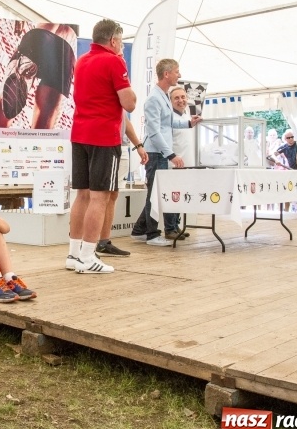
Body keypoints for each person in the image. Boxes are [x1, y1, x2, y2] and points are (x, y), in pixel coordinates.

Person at [67, 19, 136, 274]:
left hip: (80, 134)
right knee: (100, 197)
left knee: (82, 195)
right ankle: (87, 256)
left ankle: (74, 254)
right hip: (104, 136)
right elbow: (129, 104)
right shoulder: (114, 61)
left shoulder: (82, 60)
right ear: (114, 41)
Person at [130, 59, 200, 247]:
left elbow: (168, 123)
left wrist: (188, 123)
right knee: (155, 195)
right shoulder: (154, 98)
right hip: (156, 154)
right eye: (177, 72)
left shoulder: (163, 96)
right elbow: (154, 131)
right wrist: (171, 154)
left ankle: (139, 230)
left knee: (157, 194)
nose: (180, 75)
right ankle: (152, 235)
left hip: (160, 154)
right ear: (167, 74)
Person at [94, 116, 148, 258]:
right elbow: (130, 103)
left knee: (112, 194)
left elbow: (123, 118)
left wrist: (138, 145)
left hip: (118, 146)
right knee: (97, 195)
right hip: (102, 144)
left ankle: (103, 242)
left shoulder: (118, 102)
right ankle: (87, 245)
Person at [163, 86, 194, 240]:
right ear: (170, 101)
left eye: (183, 97)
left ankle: (175, 225)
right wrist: (172, 157)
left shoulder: (187, 116)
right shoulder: (169, 118)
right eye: (177, 98)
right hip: (173, 165)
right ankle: (170, 229)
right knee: (172, 196)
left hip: (186, 164)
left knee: (180, 196)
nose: (181, 100)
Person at [275, 129, 297, 211]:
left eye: (292, 137)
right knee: (288, 189)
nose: (290, 139)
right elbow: (274, 154)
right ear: (285, 139)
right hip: (290, 170)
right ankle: (286, 209)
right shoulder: (284, 146)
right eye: (288, 138)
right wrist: (276, 160)